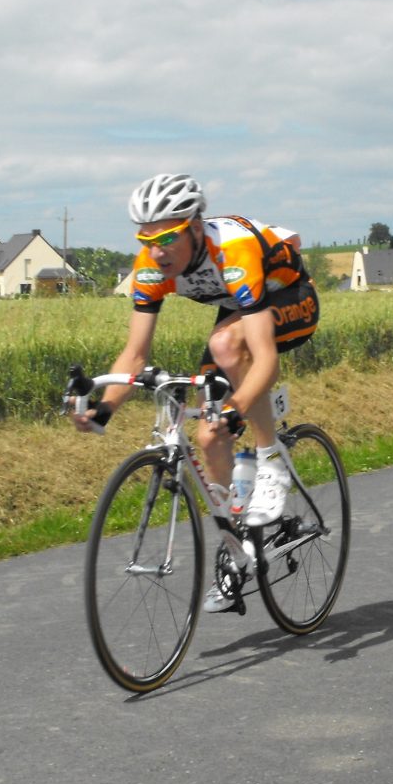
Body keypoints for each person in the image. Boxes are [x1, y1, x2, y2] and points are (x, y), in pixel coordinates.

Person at [69, 173, 319, 612]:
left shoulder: (234, 251)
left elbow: (265, 360)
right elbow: (134, 353)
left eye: (166, 236)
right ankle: (236, 552)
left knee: (227, 347)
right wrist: (103, 409)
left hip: (290, 295)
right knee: (208, 436)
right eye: (146, 238)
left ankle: (272, 461)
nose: (157, 250)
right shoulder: (150, 264)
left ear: (196, 227)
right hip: (238, 310)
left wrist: (240, 408)